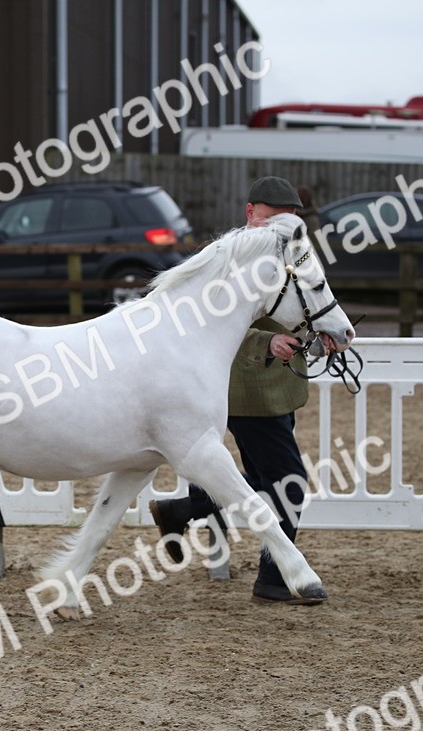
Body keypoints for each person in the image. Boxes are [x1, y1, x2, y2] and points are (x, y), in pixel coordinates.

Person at [149, 176, 321, 605]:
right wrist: (266, 342)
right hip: (246, 387)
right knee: (289, 480)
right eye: (273, 218)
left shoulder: (287, 251)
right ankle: (276, 577)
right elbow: (207, 325)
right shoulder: (227, 257)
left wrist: (323, 331)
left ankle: (182, 510)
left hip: (277, 384)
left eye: (290, 220)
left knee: (265, 478)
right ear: (250, 213)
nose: (283, 228)